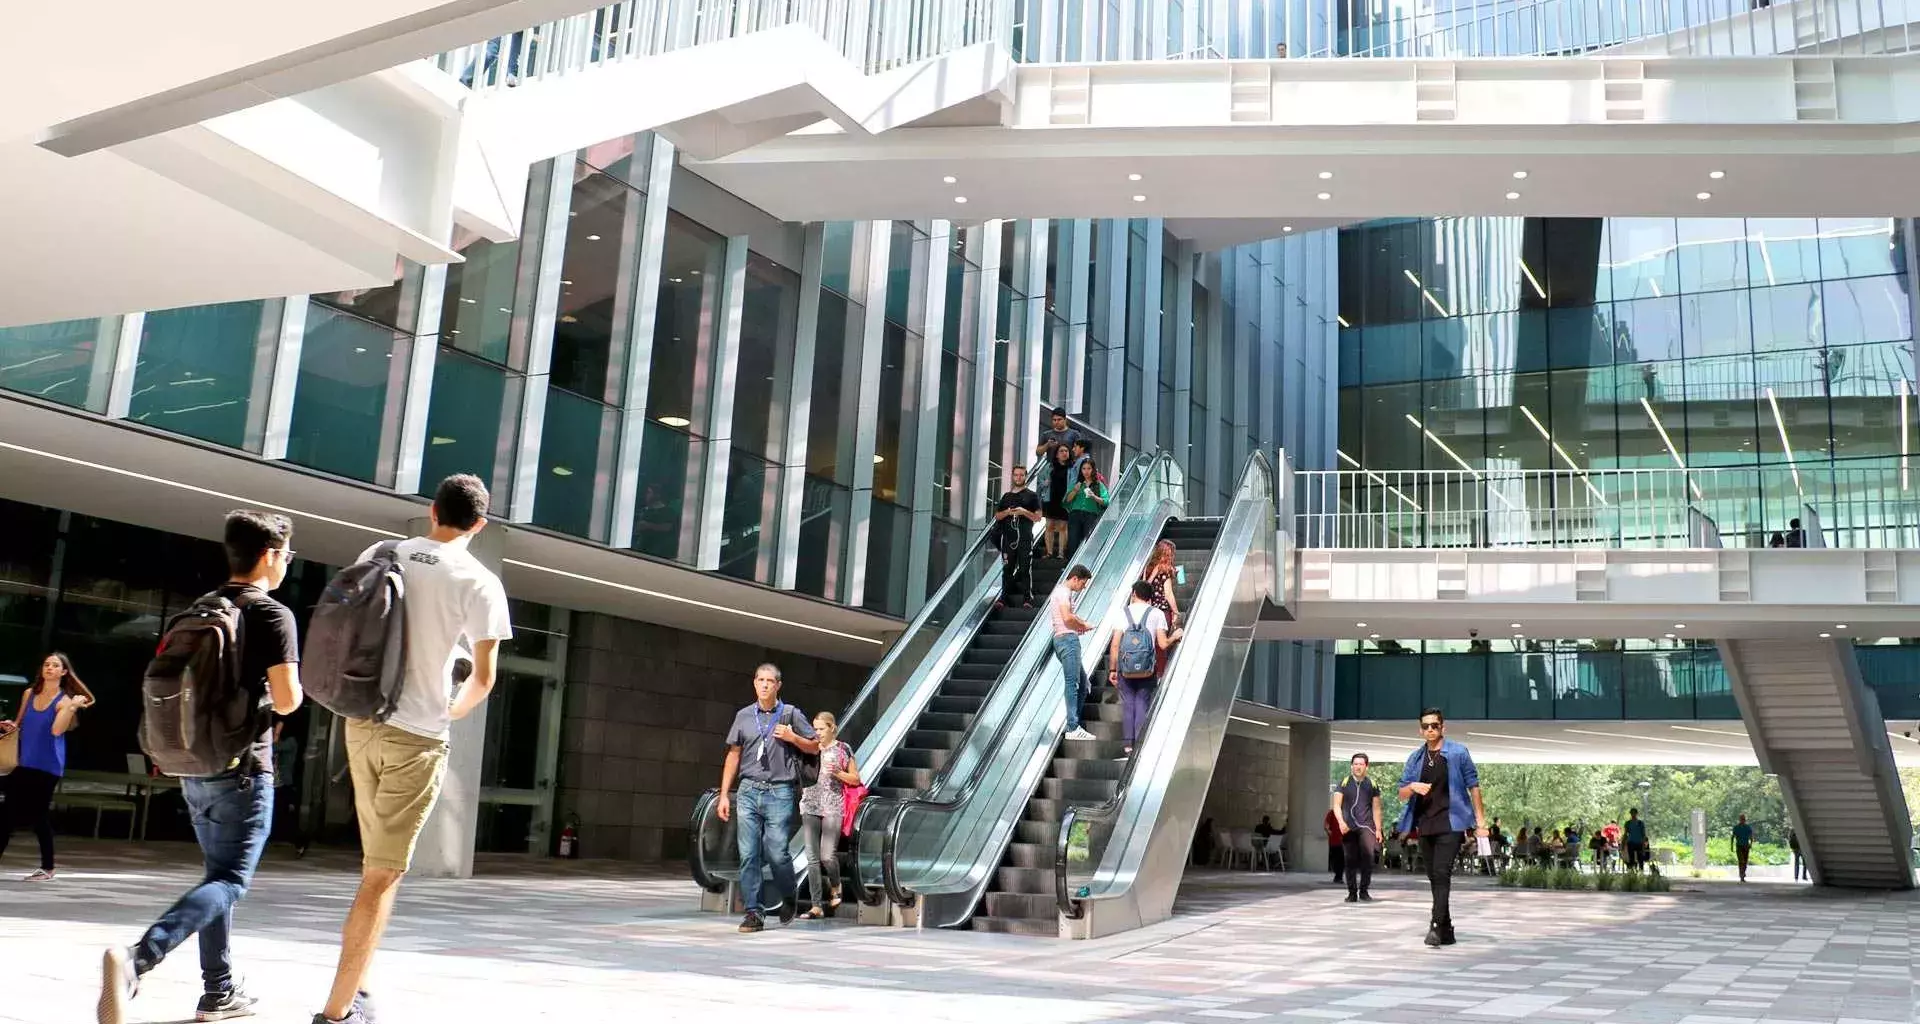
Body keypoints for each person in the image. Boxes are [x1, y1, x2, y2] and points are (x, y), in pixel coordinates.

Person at [313, 474, 513, 1024]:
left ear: (432, 511)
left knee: (376, 867)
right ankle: (336, 1012)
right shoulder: (478, 580)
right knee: (381, 875)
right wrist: (454, 707)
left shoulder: (383, 552)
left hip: (361, 722)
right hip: (418, 737)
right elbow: (485, 677)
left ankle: (360, 983)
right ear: (480, 524)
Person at [100, 510, 305, 1024]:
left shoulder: (198, 610)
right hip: (243, 767)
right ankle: (138, 959)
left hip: (194, 766)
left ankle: (219, 991)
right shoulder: (272, 614)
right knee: (232, 879)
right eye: (287, 555)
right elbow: (286, 700)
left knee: (216, 878)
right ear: (272, 555)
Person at [717, 663, 819, 933]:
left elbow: (815, 745)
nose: (764, 685)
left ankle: (788, 894)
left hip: (780, 791)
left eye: (770, 681)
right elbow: (733, 755)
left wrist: (793, 737)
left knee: (777, 852)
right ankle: (754, 911)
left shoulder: (790, 714)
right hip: (749, 790)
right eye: (760, 680)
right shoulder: (743, 716)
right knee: (748, 854)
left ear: (778, 686)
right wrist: (725, 795)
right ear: (754, 683)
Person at [1398, 708, 1487, 948]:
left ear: (1442, 728)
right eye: (1426, 726)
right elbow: (1401, 793)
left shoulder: (1457, 752)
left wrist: (1481, 822)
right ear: (1420, 730)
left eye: (1434, 725)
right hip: (1425, 824)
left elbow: (1474, 786)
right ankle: (1447, 928)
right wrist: (1413, 786)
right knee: (1433, 876)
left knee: (1441, 873)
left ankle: (1436, 926)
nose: (1430, 730)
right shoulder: (1416, 758)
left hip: (1452, 822)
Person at [0, 653, 94, 880]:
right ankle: (48, 867)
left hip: (47, 765)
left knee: (37, 816)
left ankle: (48, 867)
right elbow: (20, 723)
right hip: (24, 761)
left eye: (55, 665)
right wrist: (9, 725)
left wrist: (71, 707)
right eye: (46, 664)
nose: (49, 668)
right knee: (7, 814)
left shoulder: (64, 701)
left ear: (63, 672)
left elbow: (56, 731)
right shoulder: (29, 693)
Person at [1107, 580, 1181, 759]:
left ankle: (1127, 746)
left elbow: (1115, 645)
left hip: (1126, 669)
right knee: (1142, 703)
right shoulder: (1156, 614)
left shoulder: (1123, 613)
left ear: (1134, 594)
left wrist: (1112, 670)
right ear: (1151, 597)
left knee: (1128, 705)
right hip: (1148, 669)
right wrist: (1175, 636)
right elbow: (1162, 644)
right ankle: (1139, 745)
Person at [799, 711, 859, 919]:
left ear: (832, 728)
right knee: (812, 857)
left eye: (821, 729)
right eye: (814, 729)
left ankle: (836, 884)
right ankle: (816, 906)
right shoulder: (810, 747)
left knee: (827, 855)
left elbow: (855, 779)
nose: (817, 733)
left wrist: (838, 773)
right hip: (810, 803)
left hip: (833, 805)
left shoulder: (843, 749)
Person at [1050, 565, 1097, 742]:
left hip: (1065, 639)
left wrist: (1080, 625)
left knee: (1083, 683)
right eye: (1083, 584)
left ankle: (1073, 724)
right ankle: (1072, 726)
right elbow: (1067, 618)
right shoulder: (1064, 593)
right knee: (1073, 683)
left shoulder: (1060, 592)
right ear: (1075, 578)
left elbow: (1071, 617)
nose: (1083, 588)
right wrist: (1082, 626)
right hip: (1067, 641)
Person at [990, 465, 1043, 607]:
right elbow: (997, 516)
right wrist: (1008, 512)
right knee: (1007, 568)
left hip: (1025, 538)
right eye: (1016, 475)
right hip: (1008, 538)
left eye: (1021, 475)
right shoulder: (1006, 497)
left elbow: (1038, 517)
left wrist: (1023, 512)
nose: (1018, 477)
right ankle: (1003, 597)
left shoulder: (1032, 496)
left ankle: (1027, 598)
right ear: (1013, 476)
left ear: (1025, 476)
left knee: (1025, 568)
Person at [1333, 753, 1382, 902]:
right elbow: (1336, 805)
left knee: (1368, 859)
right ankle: (1352, 892)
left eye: (1361, 764)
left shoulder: (1372, 784)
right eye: (1355, 764)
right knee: (1350, 860)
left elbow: (1376, 808)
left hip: (1367, 827)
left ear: (1366, 766)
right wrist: (1341, 822)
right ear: (1351, 766)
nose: (1358, 767)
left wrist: (1378, 829)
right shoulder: (1344, 782)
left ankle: (1364, 891)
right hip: (1349, 827)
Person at [1064, 456, 1109, 559]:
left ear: (1093, 470)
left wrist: (1094, 496)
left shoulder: (1098, 485)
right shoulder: (1077, 483)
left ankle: (1086, 565)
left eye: (1089, 468)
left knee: (1089, 541)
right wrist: (1075, 491)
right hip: (1075, 515)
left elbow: (1106, 501)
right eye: (1084, 468)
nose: (1086, 471)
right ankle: (1071, 567)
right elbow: (1067, 500)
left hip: (1091, 516)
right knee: (1073, 541)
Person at [1042, 441, 1074, 560]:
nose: (1064, 453)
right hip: (1050, 499)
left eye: (1066, 451)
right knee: (1049, 525)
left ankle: (1061, 553)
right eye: (1061, 451)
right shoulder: (1050, 466)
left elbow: (1075, 483)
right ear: (1056, 454)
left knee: (1062, 527)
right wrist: (1044, 483)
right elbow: (1041, 480)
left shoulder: (1072, 468)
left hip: (1065, 500)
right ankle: (1049, 552)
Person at [1324, 807, 1344, 885]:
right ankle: (1337, 875)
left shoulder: (1348, 813)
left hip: (1344, 840)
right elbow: (1326, 824)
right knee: (1336, 858)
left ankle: (1339, 877)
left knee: (1341, 859)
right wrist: (1328, 830)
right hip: (1334, 840)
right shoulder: (1332, 812)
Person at [1732, 814, 1755, 882]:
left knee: (1745, 861)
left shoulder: (1748, 827)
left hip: (1746, 846)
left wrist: (1751, 844)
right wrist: (1731, 846)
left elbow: (1751, 836)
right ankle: (1741, 874)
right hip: (1739, 846)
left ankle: (1743, 873)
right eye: (1741, 819)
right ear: (1740, 819)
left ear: (1745, 820)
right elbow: (1733, 837)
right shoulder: (1736, 827)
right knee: (1741, 861)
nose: (1742, 820)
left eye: (1743, 819)